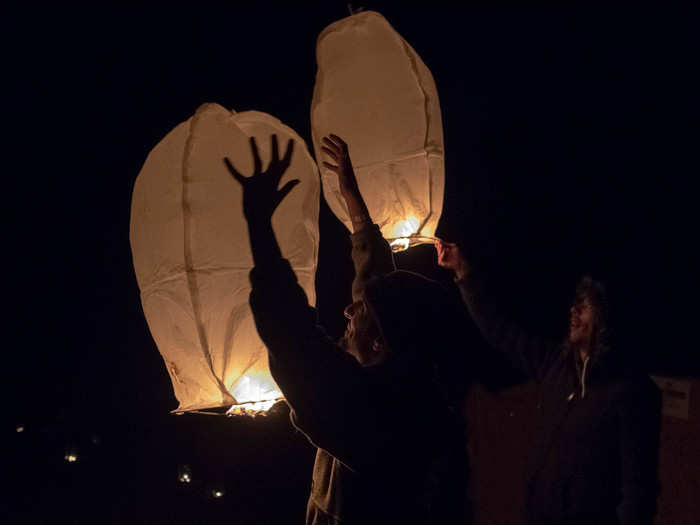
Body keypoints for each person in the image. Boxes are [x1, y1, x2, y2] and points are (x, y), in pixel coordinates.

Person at [225, 134, 469, 524]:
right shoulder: (416, 384)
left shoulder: (374, 421)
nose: (347, 311)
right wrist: (354, 205)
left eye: (361, 314)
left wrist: (258, 223)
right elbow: (380, 289)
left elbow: (294, 337)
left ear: (379, 343)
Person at [435, 240, 661, 525]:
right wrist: (463, 272)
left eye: (585, 305)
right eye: (574, 304)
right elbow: (501, 331)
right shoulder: (557, 366)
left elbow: (638, 490)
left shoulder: (631, 392)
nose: (573, 312)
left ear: (607, 315)